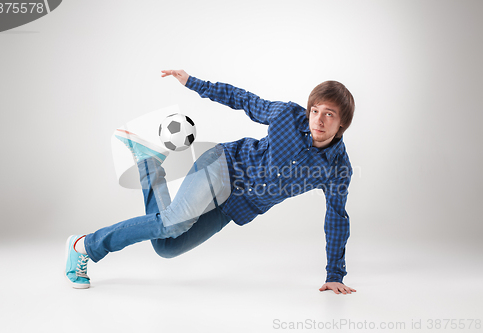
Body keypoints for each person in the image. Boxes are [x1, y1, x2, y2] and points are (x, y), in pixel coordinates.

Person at [64, 69, 357, 295]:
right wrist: (193, 82)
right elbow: (243, 99)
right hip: (223, 166)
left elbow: (336, 218)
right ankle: (84, 246)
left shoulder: (337, 169)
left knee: (167, 247)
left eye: (328, 114)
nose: (317, 120)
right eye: (314, 111)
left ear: (342, 123)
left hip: (236, 207)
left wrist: (334, 275)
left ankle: (148, 163)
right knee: (173, 221)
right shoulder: (286, 116)